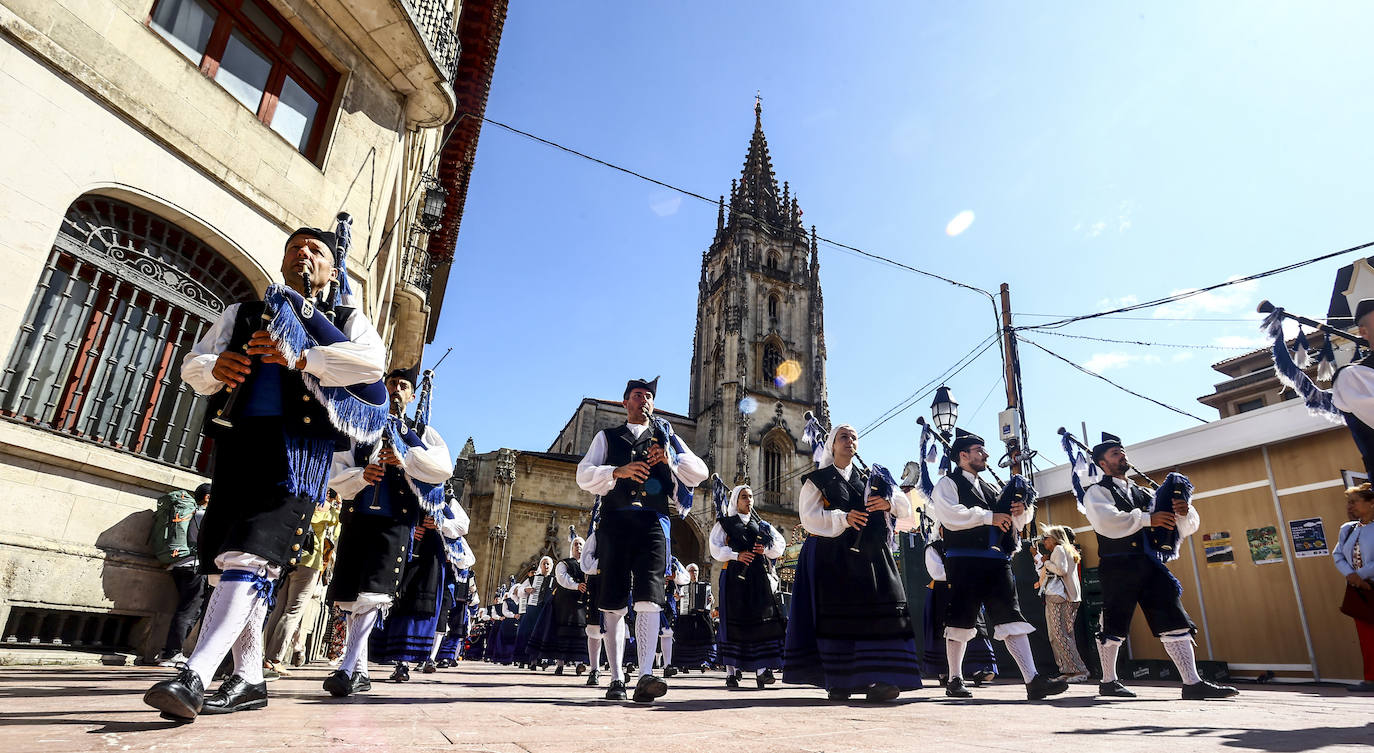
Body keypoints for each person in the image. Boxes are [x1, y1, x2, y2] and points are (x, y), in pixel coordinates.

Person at [142, 225, 386, 721]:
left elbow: (369, 366)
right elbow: (195, 366)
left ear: (332, 271)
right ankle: (249, 678)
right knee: (228, 561)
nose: (303, 254)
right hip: (240, 443)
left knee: (251, 555)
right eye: (294, 248)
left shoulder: (346, 318)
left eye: (315, 250)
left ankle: (195, 674)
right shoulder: (243, 312)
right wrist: (219, 367)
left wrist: (304, 356)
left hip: (299, 454)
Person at [323, 365, 456, 696]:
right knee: (354, 599)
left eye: (403, 386)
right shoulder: (361, 422)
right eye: (392, 383)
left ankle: (346, 668)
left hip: (396, 523)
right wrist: (361, 476)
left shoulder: (422, 433)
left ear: (412, 396)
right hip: (358, 518)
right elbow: (336, 469)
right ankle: (362, 671)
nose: (397, 388)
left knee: (372, 595)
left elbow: (441, 469)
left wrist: (406, 459)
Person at [575, 377, 708, 702]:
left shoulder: (666, 437)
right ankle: (617, 677)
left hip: (653, 523)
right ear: (625, 403)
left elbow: (700, 471)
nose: (644, 400)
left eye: (648, 396)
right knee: (614, 602)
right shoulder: (608, 437)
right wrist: (617, 472)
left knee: (650, 596)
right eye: (638, 395)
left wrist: (670, 459)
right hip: (616, 522)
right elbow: (583, 475)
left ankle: (646, 675)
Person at [1083, 432, 1237, 700]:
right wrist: (1147, 519)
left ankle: (1192, 683)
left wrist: (1182, 511)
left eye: (1123, 451)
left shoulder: (1145, 493)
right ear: (1102, 463)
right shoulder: (1097, 492)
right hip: (1117, 565)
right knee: (1114, 622)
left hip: (1150, 564)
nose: (1122, 456)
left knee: (1173, 615)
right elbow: (1106, 521)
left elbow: (1176, 525)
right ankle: (1109, 681)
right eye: (1115, 453)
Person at [784, 423, 922, 702]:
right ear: (832, 445)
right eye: (843, 437)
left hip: (871, 555)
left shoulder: (872, 478)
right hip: (832, 556)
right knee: (838, 617)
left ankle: (883, 677)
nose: (849, 441)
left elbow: (903, 506)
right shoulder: (818, 480)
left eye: (854, 437)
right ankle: (839, 681)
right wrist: (843, 519)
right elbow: (809, 517)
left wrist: (887, 505)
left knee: (880, 613)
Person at [928, 429, 1066, 701]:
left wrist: (1020, 512)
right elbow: (950, 516)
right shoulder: (947, 484)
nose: (986, 454)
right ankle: (955, 679)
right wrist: (989, 516)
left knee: (1010, 616)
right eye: (979, 450)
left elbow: (1013, 524)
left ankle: (1033, 680)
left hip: (996, 561)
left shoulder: (991, 488)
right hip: (963, 559)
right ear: (963, 455)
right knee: (961, 617)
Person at [711, 486, 786, 688]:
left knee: (760, 620)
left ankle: (762, 670)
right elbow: (715, 549)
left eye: (751, 497)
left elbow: (780, 545)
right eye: (744, 497)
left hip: (757, 576)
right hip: (734, 575)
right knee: (734, 621)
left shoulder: (761, 525)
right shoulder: (725, 524)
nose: (749, 500)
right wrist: (737, 555)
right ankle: (731, 672)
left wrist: (767, 548)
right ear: (736, 500)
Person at [262, 489, 340, 678]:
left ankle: (264, 656)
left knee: (278, 609)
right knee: (293, 611)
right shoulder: (327, 509)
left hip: (288, 560)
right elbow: (336, 531)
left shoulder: (302, 501)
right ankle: (275, 659)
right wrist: (337, 505)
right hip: (310, 563)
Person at [919, 528, 997, 685]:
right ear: (940, 529)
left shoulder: (966, 545)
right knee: (943, 631)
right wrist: (962, 572)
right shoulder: (933, 548)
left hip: (965, 589)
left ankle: (979, 669)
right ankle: (944, 671)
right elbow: (937, 573)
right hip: (942, 594)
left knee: (974, 628)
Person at [152, 483, 211, 667]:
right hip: (193, 566)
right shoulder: (202, 515)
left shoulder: (192, 514)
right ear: (207, 498)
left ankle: (171, 651)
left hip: (179, 565)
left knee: (187, 609)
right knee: (189, 610)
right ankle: (172, 653)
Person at [531, 535, 592, 675]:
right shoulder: (564, 563)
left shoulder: (587, 565)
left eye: (581, 544)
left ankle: (579, 663)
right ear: (572, 548)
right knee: (562, 633)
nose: (578, 547)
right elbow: (562, 578)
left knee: (579, 632)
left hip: (581, 604)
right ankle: (560, 664)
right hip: (564, 604)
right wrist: (577, 585)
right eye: (576, 544)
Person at [1334, 484, 1374, 692]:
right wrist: (1352, 576)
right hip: (1359, 590)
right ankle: (1371, 679)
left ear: (1371, 503)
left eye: (1354, 502)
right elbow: (1338, 555)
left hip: (1368, 583)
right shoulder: (1347, 528)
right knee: (1366, 636)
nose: (1350, 507)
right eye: (1349, 502)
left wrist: (1360, 575)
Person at [1038, 524, 1089, 682]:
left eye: (1045, 538)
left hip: (1061, 597)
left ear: (1054, 539)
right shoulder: (1069, 549)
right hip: (1072, 597)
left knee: (1059, 635)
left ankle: (1078, 670)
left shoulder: (1059, 549)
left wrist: (1046, 563)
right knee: (1063, 635)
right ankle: (1068, 670)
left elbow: (1061, 570)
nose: (1043, 541)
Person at [670, 563, 716, 673]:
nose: (694, 573)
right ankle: (684, 664)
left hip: (701, 616)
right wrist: (677, 597)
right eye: (691, 571)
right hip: (686, 617)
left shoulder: (705, 586)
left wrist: (711, 599)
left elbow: (711, 600)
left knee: (706, 636)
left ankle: (705, 662)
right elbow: (675, 598)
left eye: (695, 571)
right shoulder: (681, 586)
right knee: (685, 639)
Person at [516, 559, 554, 669]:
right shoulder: (532, 579)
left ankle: (544, 659)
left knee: (544, 635)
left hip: (547, 610)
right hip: (534, 609)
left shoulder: (554, 579)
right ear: (540, 566)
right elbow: (519, 591)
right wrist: (526, 590)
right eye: (544, 563)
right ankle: (532, 660)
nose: (546, 566)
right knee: (532, 634)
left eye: (548, 564)